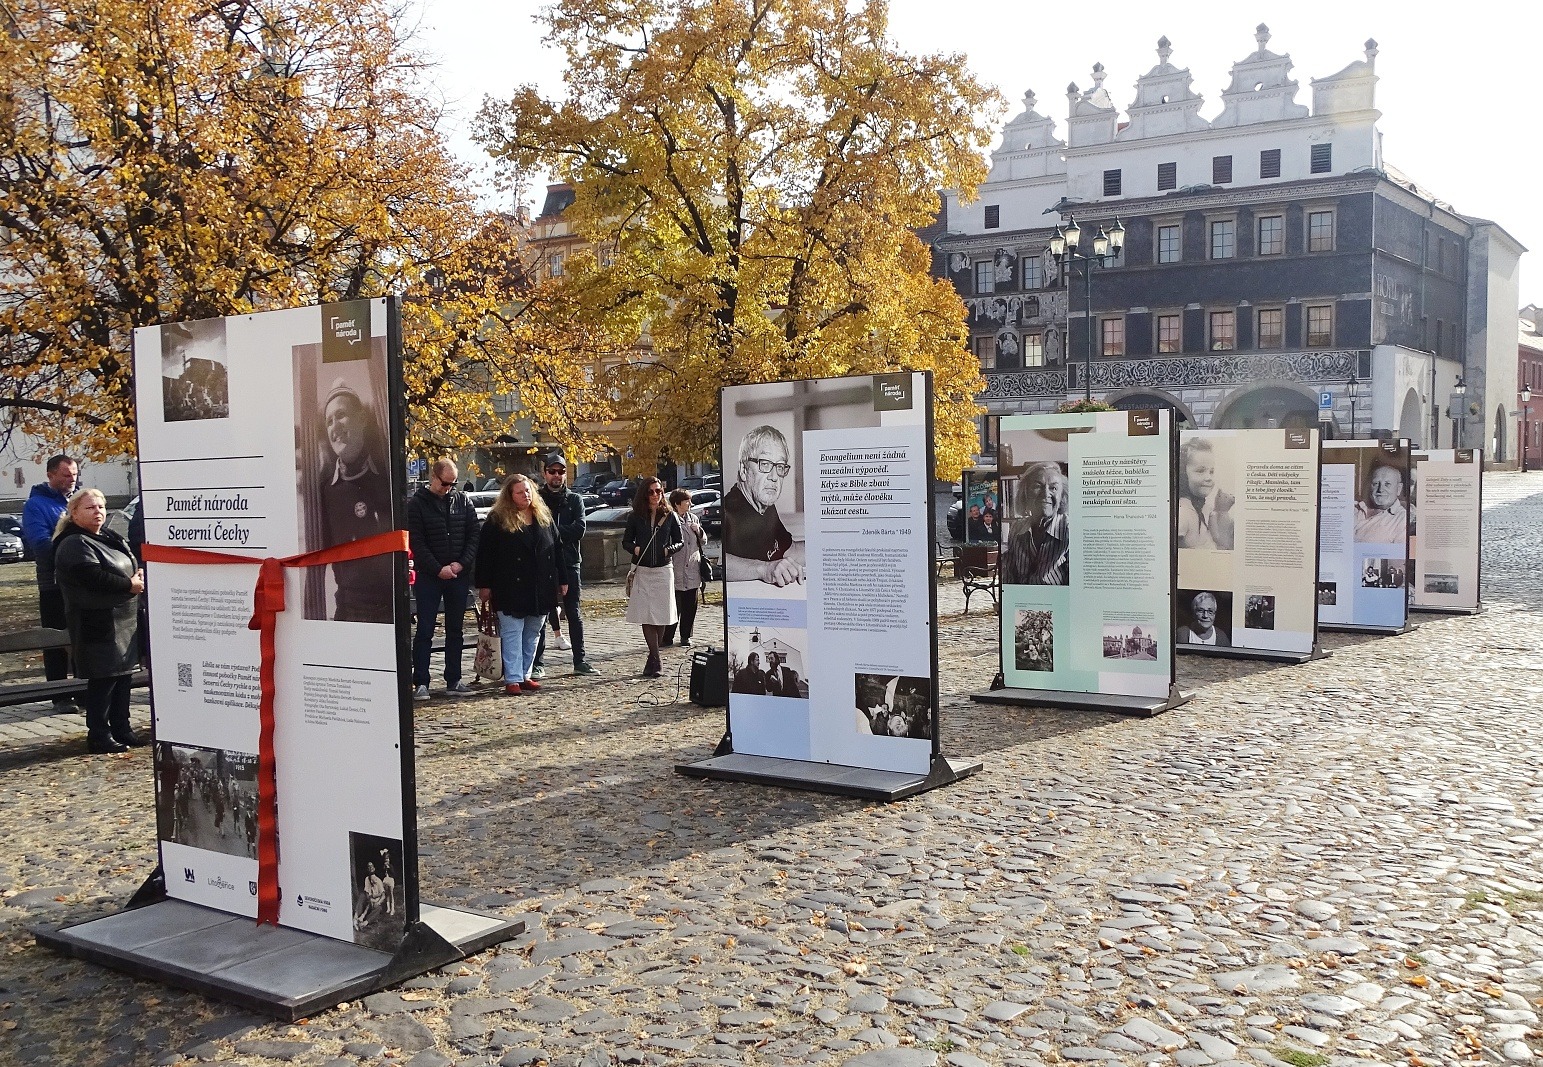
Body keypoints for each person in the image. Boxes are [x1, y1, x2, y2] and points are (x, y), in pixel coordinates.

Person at [52, 488, 145, 753]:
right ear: (74, 513)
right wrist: (129, 584)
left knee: (123, 676)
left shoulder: (107, 535)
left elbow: (128, 558)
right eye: (90, 508)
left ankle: (122, 728)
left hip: (123, 619)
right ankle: (99, 734)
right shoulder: (73, 543)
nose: (98, 512)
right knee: (104, 680)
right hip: (96, 620)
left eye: (101, 507)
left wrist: (135, 576)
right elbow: (92, 576)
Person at [474, 475, 570, 695]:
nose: (525, 495)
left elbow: (557, 549)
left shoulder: (542, 516)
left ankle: (525, 673)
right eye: (519, 492)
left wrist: (562, 579)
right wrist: (484, 585)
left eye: (528, 491)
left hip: (540, 585)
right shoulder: (497, 520)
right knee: (512, 632)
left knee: (533, 632)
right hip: (510, 586)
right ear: (509, 495)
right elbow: (485, 555)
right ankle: (513, 678)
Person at [317, 380, 393, 622]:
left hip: (388, 607)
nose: (334, 427)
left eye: (341, 416)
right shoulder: (325, 487)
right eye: (329, 421)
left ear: (362, 418)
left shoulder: (386, 475)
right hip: (348, 609)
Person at [407, 458, 479, 700]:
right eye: (445, 483)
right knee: (425, 629)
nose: (448, 488)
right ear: (434, 478)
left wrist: (460, 564)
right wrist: (438, 568)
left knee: (455, 629)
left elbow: (473, 536)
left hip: (457, 574)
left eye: (452, 484)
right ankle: (422, 682)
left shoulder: (462, 501)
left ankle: (454, 679)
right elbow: (417, 541)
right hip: (430, 576)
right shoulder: (417, 504)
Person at [530, 452, 597, 678]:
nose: (557, 476)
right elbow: (532, 530)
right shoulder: (537, 499)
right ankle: (537, 663)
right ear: (544, 473)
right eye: (552, 472)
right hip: (543, 564)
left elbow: (580, 529)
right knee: (542, 613)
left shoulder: (574, 499)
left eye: (561, 472)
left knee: (574, 613)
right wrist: (554, 535)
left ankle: (580, 660)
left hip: (569, 562)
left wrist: (551, 533)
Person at [22, 454, 79, 708]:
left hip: (81, 584)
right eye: (66, 475)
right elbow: (40, 544)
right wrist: (72, 555)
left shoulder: (77, 501)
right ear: (50, 475)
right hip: (54, 584)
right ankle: (60, 695)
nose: (72, 479)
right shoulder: (36, 505)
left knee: (82, 637)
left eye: (75, 474)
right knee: (55, 641)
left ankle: (86, 689)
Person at [723, 425, 805, 586]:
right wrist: (764, 569)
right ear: (743, 470)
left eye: (780, 466)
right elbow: (720, 561)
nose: (774, 477)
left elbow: (790, 550)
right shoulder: (729, 510)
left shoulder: (764, 507)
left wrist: (832, 547)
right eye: (765, 464)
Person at [623, 477, 683, 677]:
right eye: (651, 491)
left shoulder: (670, 515)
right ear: (644, 494)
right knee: (647, 615)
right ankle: (656, 658)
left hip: (663, 570)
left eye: (659, 491)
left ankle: (652, 657)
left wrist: (668, 550)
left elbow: (679, 541)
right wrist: (636, 548)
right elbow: (626, 542)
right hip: (642, 569)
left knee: (662, 615)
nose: (656, 495)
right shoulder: (635, 516)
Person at [1001, 462, 1071, 586]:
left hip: (1056, 602)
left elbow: (1076, 591)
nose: (1045, 494)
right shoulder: (1016, 529)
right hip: (1022, 602)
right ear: (1025, 493)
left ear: (1062, 496)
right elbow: (1009, 579)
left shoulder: (1071, 531)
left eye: (1053, 488)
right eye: (1037, 486)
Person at [661, 489, 705, 648]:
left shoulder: (693, 518)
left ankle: (686, 636)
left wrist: (698, 530)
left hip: (693, 568)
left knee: (690, 606)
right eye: (687, 501)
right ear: (677, 504)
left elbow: (704, 540)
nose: (690, 504)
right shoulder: (669, 519)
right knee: (674, 606)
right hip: (676, 568)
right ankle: (667, 637)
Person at [1177, 437, 1235, 550]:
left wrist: (1222, 511)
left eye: (1211, 471)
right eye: (1200, 471)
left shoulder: (1205, 508)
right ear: (1183, 474)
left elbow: (1220, 540)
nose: (1209, 477)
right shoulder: (1182, 512)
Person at [1354, 461, 1408, 542]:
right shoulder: (1354, 507)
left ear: (1399, 488)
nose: (1380, 489)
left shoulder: (1402, 519)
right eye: (1375, 483)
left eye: (1387, 484)